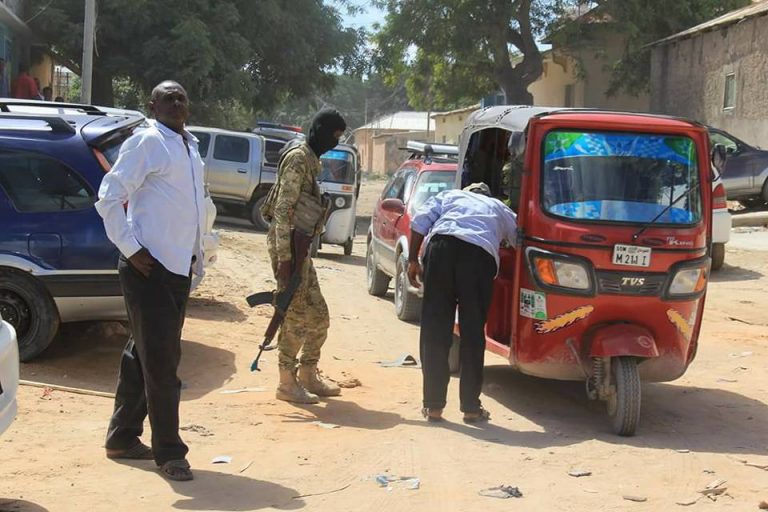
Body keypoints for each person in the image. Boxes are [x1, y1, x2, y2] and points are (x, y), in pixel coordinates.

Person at [95, 80, 206, 482]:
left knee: (142, 355)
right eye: (168, 98)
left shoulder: (189, 146)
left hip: (177, 267)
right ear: (152, 106)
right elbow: (109, 196)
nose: (177, 103)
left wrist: (196, 257)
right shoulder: (147, 142)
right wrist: (130, 248)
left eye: (181, 97)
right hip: (149, 269)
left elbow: (194, 207)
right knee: (162, 363)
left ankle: (122, 438)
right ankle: (170, 453)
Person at [407, 182, 518, 423]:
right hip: (478, 256)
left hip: (442, 249)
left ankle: (433, 406)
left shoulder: (449, 195)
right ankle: (470, 407)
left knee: (435, 330)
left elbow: (419, 222)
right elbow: (520, 239)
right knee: (473, 333)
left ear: (466, 192)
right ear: (487, 195)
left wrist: (413, 259)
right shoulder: (498, 207)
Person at [260, 108, 346, 404]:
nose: (334, 142)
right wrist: (286, 260)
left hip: (301, 248)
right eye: (333, 135)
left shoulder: (311, 159)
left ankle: (309, 374)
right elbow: (283, 210)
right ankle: (286, 382)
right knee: (295, 316)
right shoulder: (298, 159)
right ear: (319, 130)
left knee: (319, 315)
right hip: (288, 248)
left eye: (339, 137)